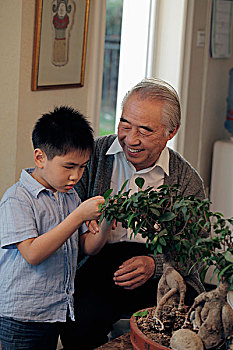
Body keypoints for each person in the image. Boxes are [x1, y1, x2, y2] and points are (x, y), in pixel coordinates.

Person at [60, 78, 206, 349]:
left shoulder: (186, 179)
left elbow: (197, 251)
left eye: (145, 130)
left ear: (170, 132)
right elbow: (63, 219)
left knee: (177, 335)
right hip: (98, 266)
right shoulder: (91, 157)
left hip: (161, 275)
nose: (131, 139)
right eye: (125, 124)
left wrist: (156, 265)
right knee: (78, 329)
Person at [0, 106, 112, 350]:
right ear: (40, 158)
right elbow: (32, 253)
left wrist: (107, 220)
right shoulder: (17, 199)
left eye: (82, 167)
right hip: (22, 315)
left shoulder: (68, 196)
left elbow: (88, 247)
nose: (76, 176)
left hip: (55, 311)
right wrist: (78, 216)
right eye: (68, 166)